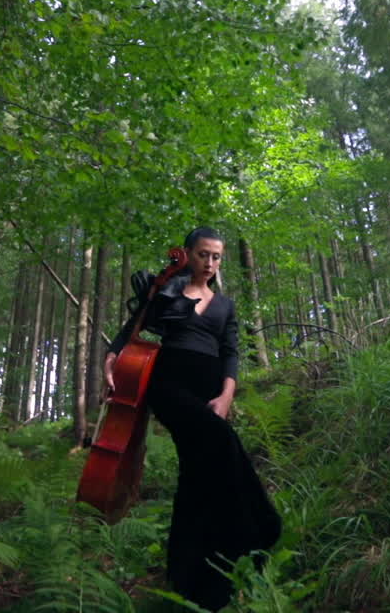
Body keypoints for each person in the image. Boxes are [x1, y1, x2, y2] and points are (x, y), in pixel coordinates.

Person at [104, 227, 281, 611]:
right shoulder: (166, 290)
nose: (210, 263)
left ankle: (195, 579)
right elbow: (133, 328)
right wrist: (112, 355)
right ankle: (262, 525)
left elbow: (230, 353)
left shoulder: (224, 305)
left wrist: (226, 395)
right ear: (187, 254)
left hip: (210, 392)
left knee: (197, 477)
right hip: (168, 384)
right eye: (203, 254)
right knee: (222, 442)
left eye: (216, 257)